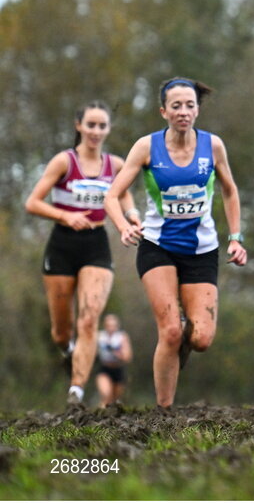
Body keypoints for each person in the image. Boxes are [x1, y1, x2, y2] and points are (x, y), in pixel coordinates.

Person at [104, 78, 247, 408]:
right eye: (176, 106)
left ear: (198, 110)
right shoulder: (146, 148)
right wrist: (124, 225)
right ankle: (164, 413)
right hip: (158, 247)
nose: (184, 112)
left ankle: (185, 338)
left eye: (190, 105)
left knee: (201, 339)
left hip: (202, 251)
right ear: (164, 111)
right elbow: (112, 195)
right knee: (169, 330)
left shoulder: (213, 147)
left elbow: (229, 190)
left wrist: (236, 239)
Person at [24, 100, 140, 407]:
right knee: (62, 331)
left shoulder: (114, 165)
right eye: (90, 124)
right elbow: (33, 202)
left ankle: (76, 389)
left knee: (89, 320)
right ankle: (68, 351)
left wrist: (133, 214)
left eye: (102, 125)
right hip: (62, 245)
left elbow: (124, 192)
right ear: (79, 126)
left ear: (108, 129)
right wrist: (64, 216)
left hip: (95, 245)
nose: (96, 131)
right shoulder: (64, 162)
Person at [96, 313, 132, 407]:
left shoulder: (121, 337)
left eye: (113, 325)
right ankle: (99, 417)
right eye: (108, 325)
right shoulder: (100, 336)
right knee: (106, 395)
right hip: (104, 369)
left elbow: (127, 357)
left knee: (115, 400)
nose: (111, 328)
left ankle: (111, 418)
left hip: (118, 369)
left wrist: (116, 353)